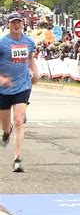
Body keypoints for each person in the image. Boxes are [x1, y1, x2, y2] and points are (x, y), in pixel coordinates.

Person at [0, 13, 39, 173]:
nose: (17, 25)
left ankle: (17, 159)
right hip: (4, 88)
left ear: (23, 24)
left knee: (18, 121)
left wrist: (35, 72)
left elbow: (30, 59)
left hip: (22, 85)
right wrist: (2, 78)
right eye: (13, 23)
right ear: (8, 25)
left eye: (19, 22)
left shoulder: (29, 41)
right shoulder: (2, 43)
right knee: (6, 124)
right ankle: (6, 132)